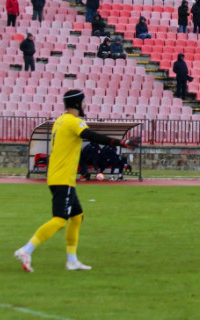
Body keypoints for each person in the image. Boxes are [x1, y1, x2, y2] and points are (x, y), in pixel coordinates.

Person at [14, 89, 138, 272]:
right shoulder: (73, 122)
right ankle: (26, 250)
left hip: (60, 177)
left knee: (77, 217)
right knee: (60, 220)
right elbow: (92, 136)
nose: (86, 105)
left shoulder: (60, 120)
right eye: (84, 102)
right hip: (62, 178)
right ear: (78, 104)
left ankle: (72, 261)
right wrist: (119, 143)